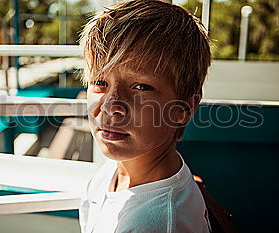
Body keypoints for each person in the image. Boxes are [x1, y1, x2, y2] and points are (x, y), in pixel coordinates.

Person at [78, 0, 212, 232]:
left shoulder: (155, 223)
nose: (111, 105)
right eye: (100, 82)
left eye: (141, 87)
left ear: (184, 109)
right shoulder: (113, 171)